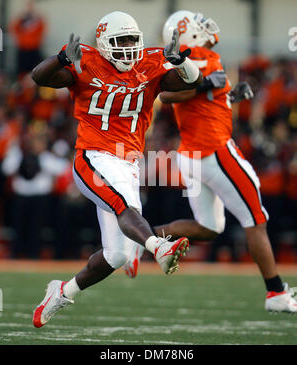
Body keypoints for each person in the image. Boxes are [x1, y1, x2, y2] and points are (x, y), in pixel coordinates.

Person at [31, 11, 203, 328]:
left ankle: (60, 291)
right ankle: (157, 247)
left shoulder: (150, 63)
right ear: (104, 43)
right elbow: (39, 77)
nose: (127, 47)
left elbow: (195, 81)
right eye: (120, 40)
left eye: (132, 40)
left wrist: (181, 61)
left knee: (116, 256)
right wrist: (59, 59)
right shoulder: (87, 61)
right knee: (122, 207)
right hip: (93, 156)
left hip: (128, 161)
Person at [124, 10, 297, 314]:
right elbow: (168, 95)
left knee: (208, 227)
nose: (205, 28)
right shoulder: (198, 55)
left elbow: (201, 102)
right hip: (214, 151)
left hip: (191, 155)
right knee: (256, 221)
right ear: (188, 33)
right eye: (198, 25)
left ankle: (143, 240)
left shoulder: (195, 60)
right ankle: (276, 293)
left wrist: (230, 97)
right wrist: (207, 84)